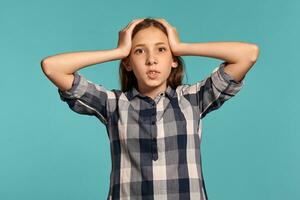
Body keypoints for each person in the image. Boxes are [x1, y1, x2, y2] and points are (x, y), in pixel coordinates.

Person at [41, 17, 259, 200]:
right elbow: (52, 67)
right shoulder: (113, 104)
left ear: (173, 60)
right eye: (139, 52)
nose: (151, 60)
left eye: (161, 50)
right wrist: (118, 51)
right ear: (128, 63)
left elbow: (248, 54)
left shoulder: (193, 99)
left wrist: (182, 47)